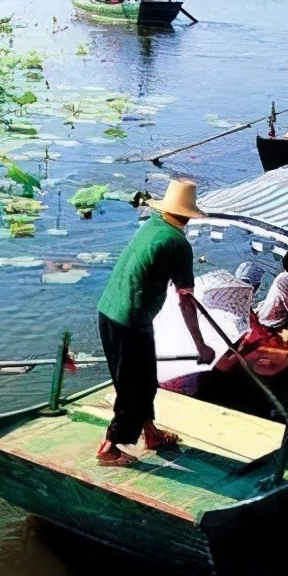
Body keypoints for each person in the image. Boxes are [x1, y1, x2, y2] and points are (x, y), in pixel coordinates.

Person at [94, 179, 216, 467]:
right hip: (131, 320)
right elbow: (186, 301)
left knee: (143, 379)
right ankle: (109, 448)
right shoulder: (178, 243)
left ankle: (149, 432)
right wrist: (201, 346)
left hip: (108, 311)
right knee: (133, 388)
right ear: (188, 214)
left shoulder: (151, 225)